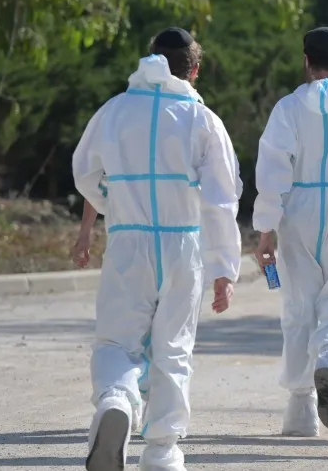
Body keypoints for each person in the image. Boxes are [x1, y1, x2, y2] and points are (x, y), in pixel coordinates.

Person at [71, 27, 243, 471]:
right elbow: (223, 199)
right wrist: (224, 266)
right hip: (182, 245)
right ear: (195, 70)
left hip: (128, 240)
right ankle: (163, 450)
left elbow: (84, 172)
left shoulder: (114, 110)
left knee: (117, 339)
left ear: (151, 60)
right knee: (173, 348)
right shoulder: (202, 119)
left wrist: (116, 205)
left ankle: (117, 401)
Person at [251, 27, 328, 437]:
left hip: (296, 209)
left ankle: (300, 409)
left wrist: (265, 228)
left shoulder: (287, 107)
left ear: (305, 60)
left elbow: (271, 169)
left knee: (299, 307)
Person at [73, 201, 148, 435]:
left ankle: (122, 401)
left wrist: (85, 233)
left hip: (124, 249)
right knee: (166, 339)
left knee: (119, 335)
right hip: (177, 246)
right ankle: (155, 413)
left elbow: (94, 177)